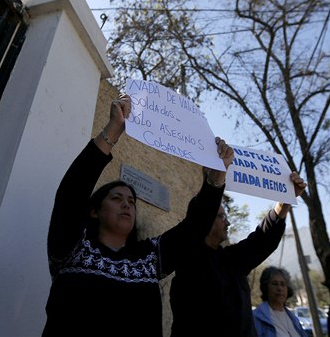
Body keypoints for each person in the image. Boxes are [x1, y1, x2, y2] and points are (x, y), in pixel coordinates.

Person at [42, 93, 235, 337]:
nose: (127, 205)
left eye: (131, 201)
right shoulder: (72, 248)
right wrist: (113, 129)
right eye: (116, 198)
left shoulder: (149, 259)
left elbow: (193, 229)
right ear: (93, 211)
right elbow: (71, 193)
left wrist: (216, 178)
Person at [168, 168, 307, 337]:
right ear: (206, 219)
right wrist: (215, 180)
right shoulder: (188, 259)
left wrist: (284, 202)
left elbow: (261, 240)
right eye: (221, 217)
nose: (228, 223)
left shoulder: (232, 259)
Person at [253, 266, 308, 337]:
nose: (279, 288)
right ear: (266, 287)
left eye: (283, 284)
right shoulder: (256, 318)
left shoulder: (294, 319)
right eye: (275, 284)